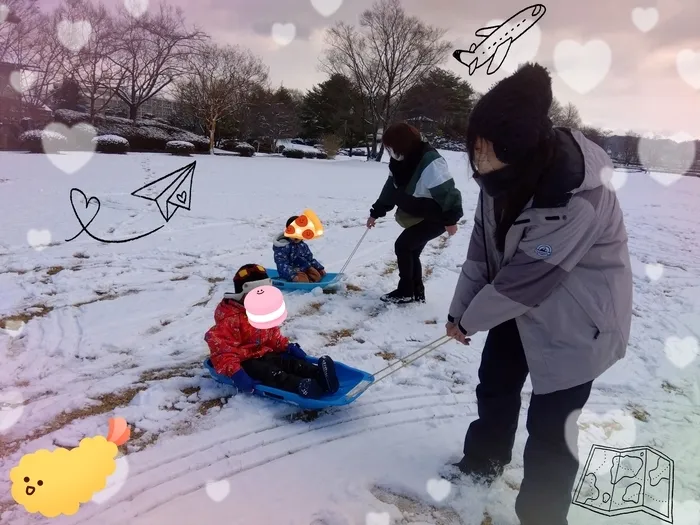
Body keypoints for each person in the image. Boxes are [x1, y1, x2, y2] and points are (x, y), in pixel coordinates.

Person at [445, 63, 633, 525]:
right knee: (495, 386)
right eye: (474, 153)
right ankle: (482, 462)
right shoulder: (497, 176)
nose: (478, 166)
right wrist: (459, 310)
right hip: (517, 307)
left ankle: (543, 516)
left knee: (551, 429)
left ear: (524, 154)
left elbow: (527, 279)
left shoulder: (577, 197)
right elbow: (481, 253)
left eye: (488, 157)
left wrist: (472, 319)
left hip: (577, 320)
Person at [204, 264, 339, 398]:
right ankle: (300, 385)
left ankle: (319, 374)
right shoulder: (230, 318)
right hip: (244, 362)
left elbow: (271, 335)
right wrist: (236, 373)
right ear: (243, 295)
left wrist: (286, 346)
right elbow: (222, 351)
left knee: (288, 363)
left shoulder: (262, 310)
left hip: (265, 352)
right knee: (271, 372)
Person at [366, 122, 463, 304]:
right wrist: (376, 212)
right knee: (411, 251)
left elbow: (447, 191)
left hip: (436, 216)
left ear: (404, 143)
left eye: (392, 146)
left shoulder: (430, 161)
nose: (390, 151)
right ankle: (416, 293)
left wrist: (451, 219)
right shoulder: (399, 162)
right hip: (420, 214)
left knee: (403, 246)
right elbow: (390, 188)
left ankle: (406, 291)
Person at [273, 216, 326, 283]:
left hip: (303, 268)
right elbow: (281, 263)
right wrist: (292, 276)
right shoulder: (283, 246)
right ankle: (304, 281)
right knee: (303, 280)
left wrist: (319, 268)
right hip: (289, 271)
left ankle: (310, 280)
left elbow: (309, 259)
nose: (296, 236)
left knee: (317, 276)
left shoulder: (303, 245)